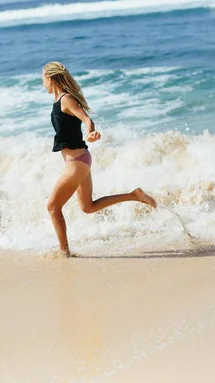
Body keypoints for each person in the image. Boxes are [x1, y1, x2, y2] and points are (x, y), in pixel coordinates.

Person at [42, 61, 157, 258]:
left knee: (53, 206)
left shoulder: (66, 100)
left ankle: (64, 252)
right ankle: (134, 195)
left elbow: (86, 119)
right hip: (80, 161)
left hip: (77, 162)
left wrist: (91, 132)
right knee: (88, 207)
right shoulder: (60, 100)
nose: (42, 84)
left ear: (50, 79)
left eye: (42, 80)